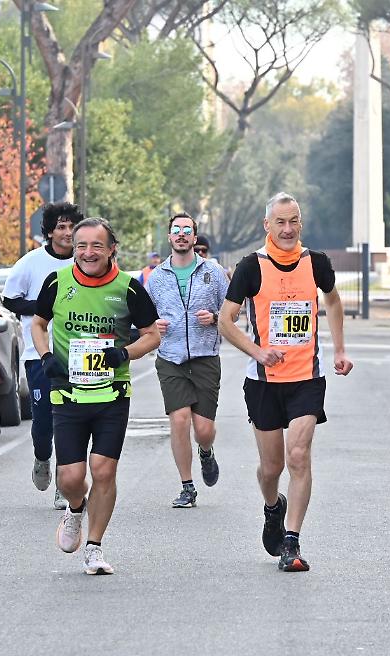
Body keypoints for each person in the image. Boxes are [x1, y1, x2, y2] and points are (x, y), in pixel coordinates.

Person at [218, 192, 353, 573]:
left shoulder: (317, 263)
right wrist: (258, 352)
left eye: (294, 221)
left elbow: (333, 301)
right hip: (263, 381)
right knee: (271, 467)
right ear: (268, 225)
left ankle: (291, 542)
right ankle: (272, 506)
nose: (288, 229)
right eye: (280, 222)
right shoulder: (251, 267)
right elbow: (226, 320)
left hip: (306, 377)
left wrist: (340, 349)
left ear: (300, 223)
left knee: (298, 456)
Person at [31, 217, 161, 575]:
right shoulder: (56, 282)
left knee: (103, 470)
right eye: (82, 246)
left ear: (111, 249)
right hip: (68, 393)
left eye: (97, 246)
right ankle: (76, 508)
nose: (88, 253)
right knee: (71, 478)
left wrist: (124, 353)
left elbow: (152, 335)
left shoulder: (128, 288)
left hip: (111, 393)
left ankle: (94, 547)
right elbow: (38, 324)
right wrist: (46, 356)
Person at [2, 202, 83, 510]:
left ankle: (65, 485)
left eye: (72, 227)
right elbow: (10, 300)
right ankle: (41, 457)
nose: (67, 233)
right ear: (49, 231)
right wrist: (44, 308)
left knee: (70, 421)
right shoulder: (31, 263)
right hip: (39, 354)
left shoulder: (85, 261)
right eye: (61, 227)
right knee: (45, 422)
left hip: (78, 354)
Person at [146, 212, 229, 508]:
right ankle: (187, 486)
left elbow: (233, 311)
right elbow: (144, 318)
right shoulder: (156, 278)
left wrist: (216, 318)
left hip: (206, 357)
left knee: (204, 430)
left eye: (187, 230)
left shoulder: (214, 272)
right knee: (179, 420)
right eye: (176, 230)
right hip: (170, 357)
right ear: (169, 236)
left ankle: (206, 451)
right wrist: (153, 325)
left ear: (194, 237)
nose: (181, 234)